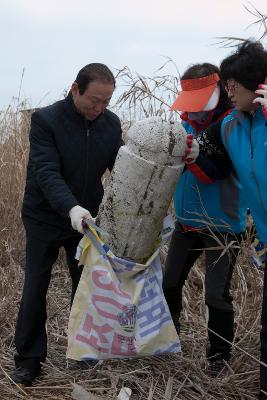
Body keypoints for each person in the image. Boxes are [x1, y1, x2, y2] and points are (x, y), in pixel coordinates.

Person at [12, 63, 123, 386]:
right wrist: (71, 207)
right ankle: (29, 359)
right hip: (45, 215)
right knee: (36, 284)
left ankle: (84, 350)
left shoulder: (111, 124)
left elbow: (121, 167)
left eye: (106, 102)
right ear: (75, 88)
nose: (99, 108)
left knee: (87, 287)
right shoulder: (46, 120)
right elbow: (46, 172)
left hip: (88, 222)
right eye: (94, 100)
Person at [185, 40, 267, 399]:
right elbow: (208, 154)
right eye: (227, 85)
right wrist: (191, 150)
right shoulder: (229, 126)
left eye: (234, 84)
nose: (229, 91)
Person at [163, 63, 247, 377]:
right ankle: (168, 338)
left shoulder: (233, 125)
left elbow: (219, 172)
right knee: (169, 282)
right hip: (186, 221)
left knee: (216, 293)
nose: (194, 113)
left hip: (223, 226)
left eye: (200, 106)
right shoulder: (184, 126)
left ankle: (219, 356)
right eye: (190, 106)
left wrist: (197, 157)